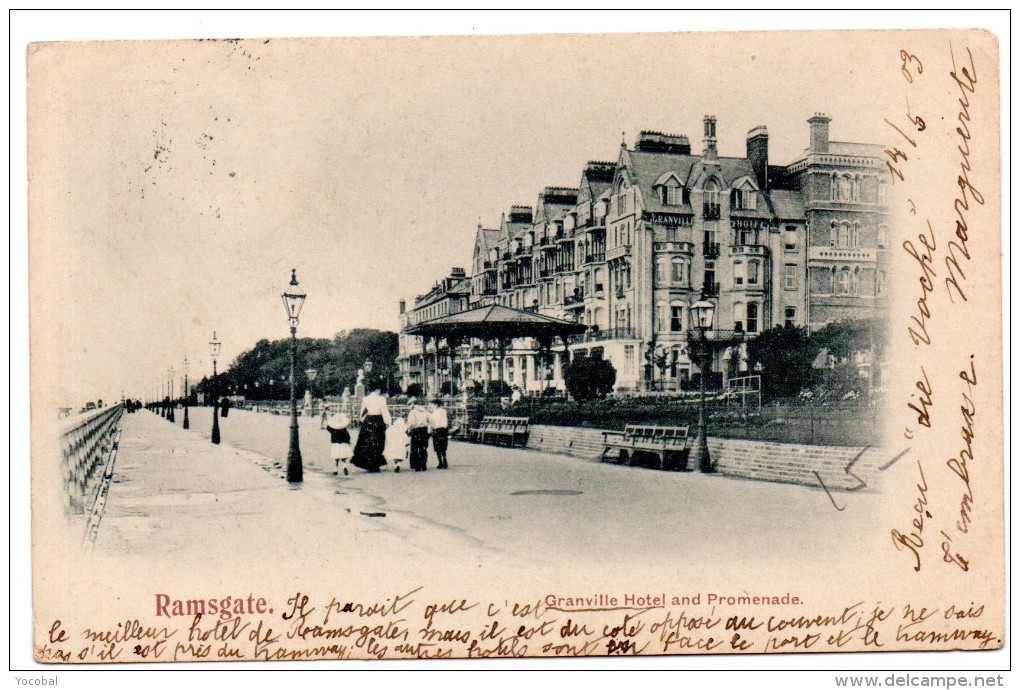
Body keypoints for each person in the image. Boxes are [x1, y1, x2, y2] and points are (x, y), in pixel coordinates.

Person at [351, 383, 390, 472]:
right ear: (377, 390)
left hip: (368, 421)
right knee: (378, 442)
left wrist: (361, 420)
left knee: (367, 442)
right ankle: (375, 464)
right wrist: (388, 422)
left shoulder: (366, 399)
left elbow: (363, 411)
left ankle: (368, 463)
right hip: (378, 420)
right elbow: (384, 411)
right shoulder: (381, 399)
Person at [406, 398, 430, 472]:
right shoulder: (425, 411)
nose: (409, 407)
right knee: (423, 447)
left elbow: (411, 423)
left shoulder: (412, 412)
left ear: (413, 404)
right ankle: (424, 464)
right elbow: (431, 420)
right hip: (424, 430)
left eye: (409, 405)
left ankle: (417, 465)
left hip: (416, 431)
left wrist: (407, 428)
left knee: (415, 448)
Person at [428, 399, 449, 469]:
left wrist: (429, 431)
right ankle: (445, 460)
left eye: (432, 404)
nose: (431, 406)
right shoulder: (443, 411)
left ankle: (440, 462)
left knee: (437, 447)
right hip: (444, 429)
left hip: (437, 430)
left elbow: (432, 423)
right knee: (443, 446)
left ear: (436, 405)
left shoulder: (434, 413)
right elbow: (445, 421)